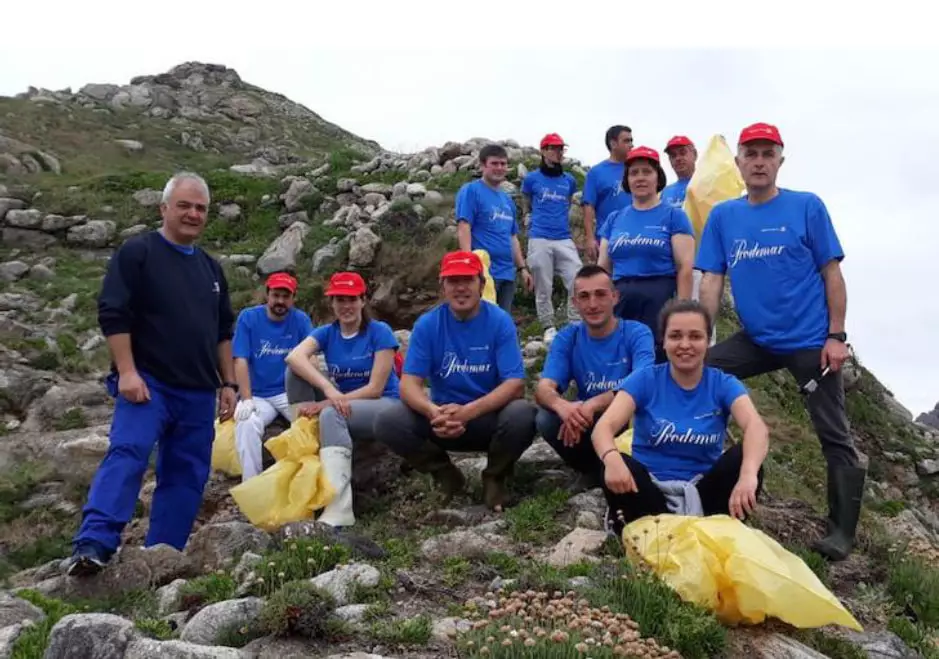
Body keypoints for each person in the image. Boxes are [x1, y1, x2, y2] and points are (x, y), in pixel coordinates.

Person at [695, 122, 862, 562]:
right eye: (751, 153)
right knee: (701, 371)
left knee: (834, 433)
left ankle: (842, 530)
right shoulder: (724, 217)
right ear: (739, 163)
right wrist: (699, 337)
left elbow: (832, 273)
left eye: (768, 154)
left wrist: (837, 336)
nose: (759, 161)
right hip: (757, 339)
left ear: (780, 161)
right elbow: (712, 279)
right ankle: (700, 466)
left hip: (810, 341)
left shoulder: (807, 207)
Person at [66, 172, 237, 576]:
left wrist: (228, 383)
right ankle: (94, 544)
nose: (193, 214)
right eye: (184, 205)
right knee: (127, 454)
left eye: (200, 208)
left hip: (198, 391)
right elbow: (113, 313)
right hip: (148, 384)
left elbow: (222, 332)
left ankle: (163, 556)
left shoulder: (211, 270)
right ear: (164, 208)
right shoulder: (138, 253)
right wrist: (126, 371)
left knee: (187, 475)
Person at [591, 299, 770, 537]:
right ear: (663, 341)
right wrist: (611, 459)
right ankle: (652, 532)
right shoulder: (645, 379)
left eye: (695, 336)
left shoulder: (723, 384)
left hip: (703, 492)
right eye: (675, 336)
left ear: (708, 342)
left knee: (744, 459)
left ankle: (708, 530)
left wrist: (748, 474)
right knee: (614, 463)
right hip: (650, 490)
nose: (685, 344)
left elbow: (756, 427)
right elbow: (604, 427)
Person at [374, 251, 537, 512]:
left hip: (486, 418)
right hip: (442, 418)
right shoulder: (428, 324)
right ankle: (445, 474)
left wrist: (468, 412)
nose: (461, 288)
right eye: (453, 281)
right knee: (388, 421)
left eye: (468, 280)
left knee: (523, 413)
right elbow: (408, 384)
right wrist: (432, 411)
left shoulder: (499, 322)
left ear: (481, 284)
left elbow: (515, 383)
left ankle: (495, 476)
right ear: (443, 287)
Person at [284, 271, 401, 528]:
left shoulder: (379, 332)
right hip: (345, 401)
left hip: (385, 405)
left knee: (331, 413)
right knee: (294, 373)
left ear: (363, 300)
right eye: (339, 299)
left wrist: (328, 402)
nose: (345, 306)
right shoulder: (328, 332)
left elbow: (375, 389)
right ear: (332, 303)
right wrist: (329, 389)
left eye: (351, 299)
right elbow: (294, 357)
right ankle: (303, 442)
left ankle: (339, 506)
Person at [535, 265, 655, 492]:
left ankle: (633, 468)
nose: (592, 304)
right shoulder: (568, 337)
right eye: (584, 296)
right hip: (587, 422)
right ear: (575, 303)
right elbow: (543, 389)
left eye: (600, 294)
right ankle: (590, 470)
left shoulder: (636, 332)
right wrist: (563, 407)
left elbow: (645, 379)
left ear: (614, 296)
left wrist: (594, 403)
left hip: (627, 418)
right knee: (546, 419)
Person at [598, 146, 695, 362]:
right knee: (620, 360)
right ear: (627, 179)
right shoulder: (614, 219)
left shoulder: (674, 216)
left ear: (657, 177)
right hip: (621, 300)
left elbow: (685, 268)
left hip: (659, 299)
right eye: (634, 173)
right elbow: (603, 267)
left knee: (657, 362)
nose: (640, 178)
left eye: (646, 172)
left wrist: (683, 313)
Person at [231, 271, 313, 482]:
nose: (280, 301)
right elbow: (240, 359)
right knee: (246, 423)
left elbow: (310, 359)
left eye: (286, 296)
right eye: (276, 295)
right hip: (258, 394)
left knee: (310, 427)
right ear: (267, 295)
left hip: (289, 392)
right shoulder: (248, 318)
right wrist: (246, 398)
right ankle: (252, 484)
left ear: (293, 298)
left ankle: (304, 481)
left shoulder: (301, 320)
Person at [456, 144, 533, 313]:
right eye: (495, 163)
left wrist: (522, 269)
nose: (500, 168)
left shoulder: (507, 200)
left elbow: (512, 237)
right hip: (484, 272)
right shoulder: (471, 191)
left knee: (501, 321)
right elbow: (464, 226)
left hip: (507, 272)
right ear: (483, 165)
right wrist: (468, 264)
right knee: (480, 320)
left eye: (503, 164)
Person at [521, 133, 582, 344]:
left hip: (563, 237)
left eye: (561, 149)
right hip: (539, 236)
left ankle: (575, 322)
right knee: (543, 284)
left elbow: (567, 201)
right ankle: (548, 326)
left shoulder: (569, 181)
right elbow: (526, 201)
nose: (558, 153)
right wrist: (528, 219)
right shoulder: (532, 179)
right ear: (544, 151)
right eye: (554, 148)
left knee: (577, 277)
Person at [581, 125, 634, 262]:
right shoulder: (596, 173)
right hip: (608, 239)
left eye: (631, 140)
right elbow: (588, 206)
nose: (631, 145)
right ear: (613, 143)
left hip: (636, 236)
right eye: (626, 141)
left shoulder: (635, 169)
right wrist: (590, 238)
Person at [661, 135, 697, 208]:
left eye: (682, 153)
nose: (678, 158)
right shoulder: (664, 192)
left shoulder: (708, 185)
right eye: (673, 155)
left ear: (695, 154)